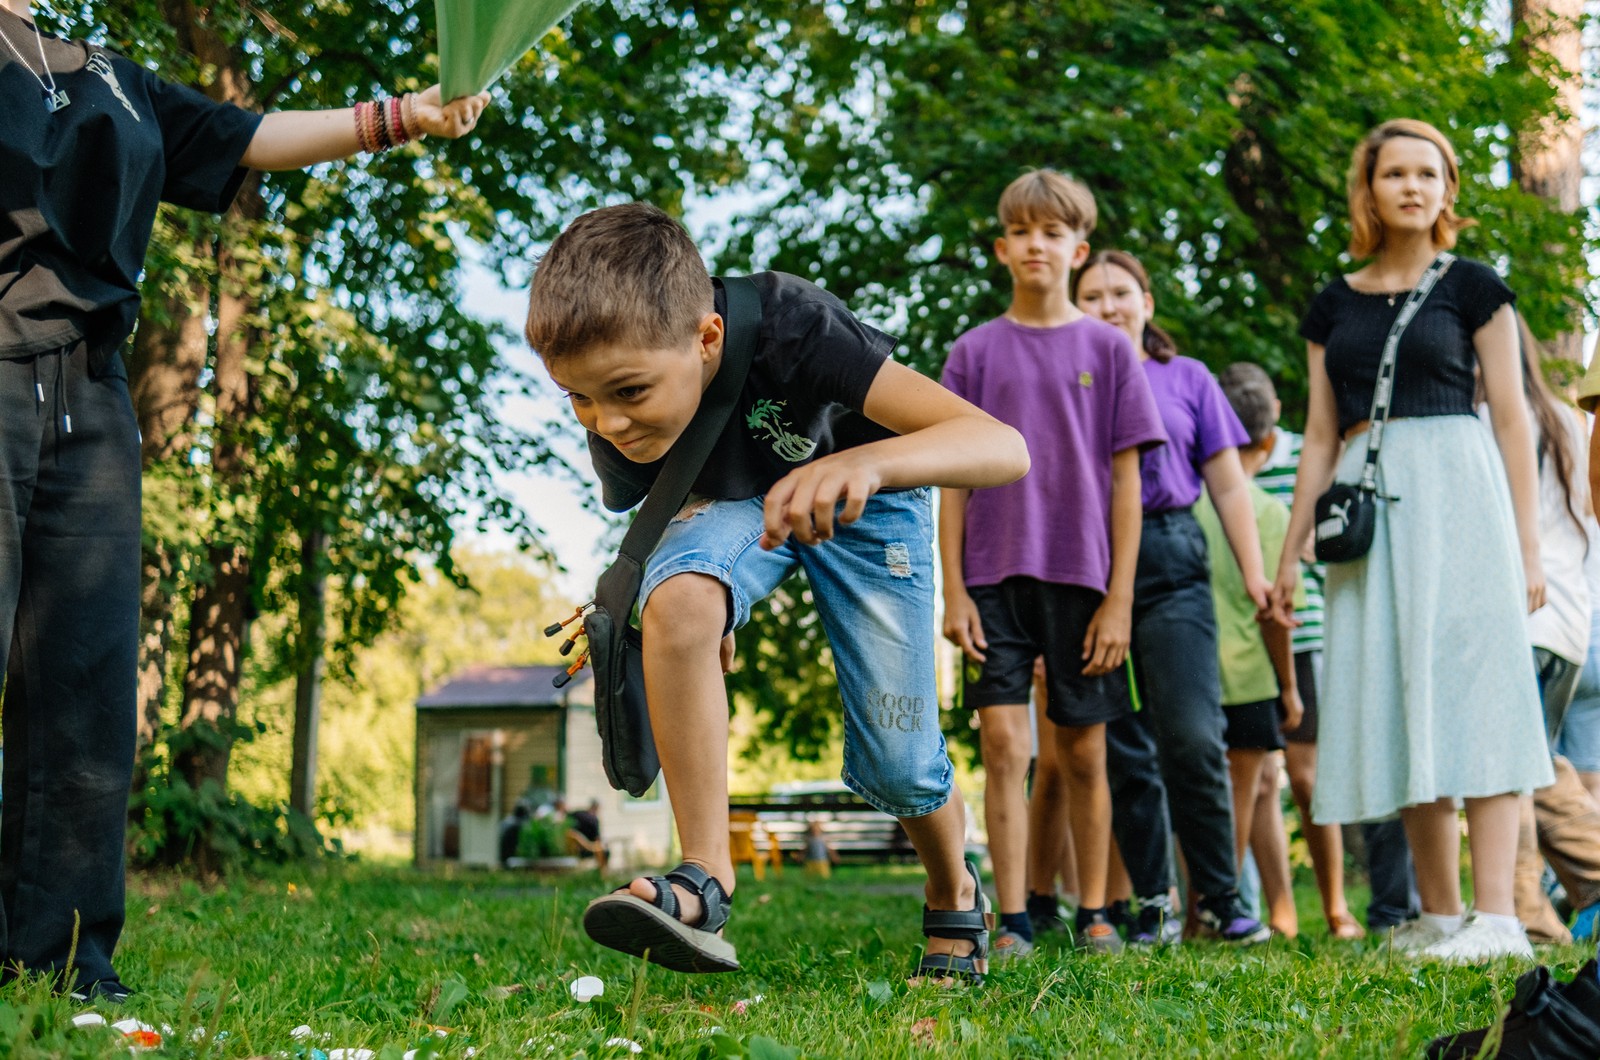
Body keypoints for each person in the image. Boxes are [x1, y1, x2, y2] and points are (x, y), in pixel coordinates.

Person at [0, 0, 487, 1001]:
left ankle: (59, 962)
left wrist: (410, 115)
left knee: (87, 691)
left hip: (91, 394)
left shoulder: (109, 73)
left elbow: (249, 139)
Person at [524, 202, 1029, 980]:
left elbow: (1002, 447)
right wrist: (693, 601)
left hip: (873, 499)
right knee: (683, 601)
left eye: (627, 391)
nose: (607, 422)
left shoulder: (797, 328)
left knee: (898, 761)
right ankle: (704, 877)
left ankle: (953, 884)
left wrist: (864, 464)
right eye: (580, 400)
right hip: (743, 507)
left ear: (707, 339)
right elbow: (679, 511)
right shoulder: (622, 420)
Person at [1267, 118, 1552, 963]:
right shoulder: (1334, 304)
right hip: (1369, 511)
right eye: (1396, 173)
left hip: (1461, 500)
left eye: (1429, 173)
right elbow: (1319, 436)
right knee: (1401, 695)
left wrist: (1528, 548)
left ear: (1447, 188)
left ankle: (1498, 919)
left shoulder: (1475, 288)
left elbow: (1511, 418)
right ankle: (1439, 914)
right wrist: (1290, 553)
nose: (1414, 187)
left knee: (1480, 691)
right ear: (1369, 188)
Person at [940, 170, 1165, 959]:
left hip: (1084, 579)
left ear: (1079, 248)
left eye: (1053, 231)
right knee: (1004, 746)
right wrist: (954, 592)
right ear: (1003, 249)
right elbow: (954, 479)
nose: (1038, 244)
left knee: (1084, 749)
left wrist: (1120, 601)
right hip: (993, 578)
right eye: (1023, 232)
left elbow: (1129, 487)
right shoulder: (971, 354)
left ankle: (1098, 909)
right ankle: (1014, 920)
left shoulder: (1109, 350)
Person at [1072, 249, 1272, 945]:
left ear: (1146, 303)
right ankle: (1152, 903)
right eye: (1091, 295)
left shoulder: (1186, 378)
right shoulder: (1069, 379)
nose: (1108, 305)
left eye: (1120, 292)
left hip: (1172, 557)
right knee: (1124, 746)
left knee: (1191, 734)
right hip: (1087, 567)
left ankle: (1219, 899)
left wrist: (1253, 574)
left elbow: (1227, 483)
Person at [1245, 364, 1369, 940]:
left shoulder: (1303, 458)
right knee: (1259, 779)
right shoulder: (1222, 461)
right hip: (1242, 641)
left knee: (1305, 775)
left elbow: (1335, 532)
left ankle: (1337, 905)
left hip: (1306, 633)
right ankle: (1281, 912)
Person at [1496, 318, 1600, 946]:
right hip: (1569, 621)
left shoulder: (1490, 425)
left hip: (1519, 613)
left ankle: (1526, 912)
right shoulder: (1567, 418)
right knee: (1533, 758)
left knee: (1510, 764)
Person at [1201, 363, 1304, 939]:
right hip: (1249, 679)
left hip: (1191, 675)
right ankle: (1225, 905)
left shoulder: (1188, 501)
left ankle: (1196, 909)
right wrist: (1289, 686)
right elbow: (1277, 616)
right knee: (1239, 804)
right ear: (1268, 439)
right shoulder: (1268, 513)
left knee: (1195, 798)